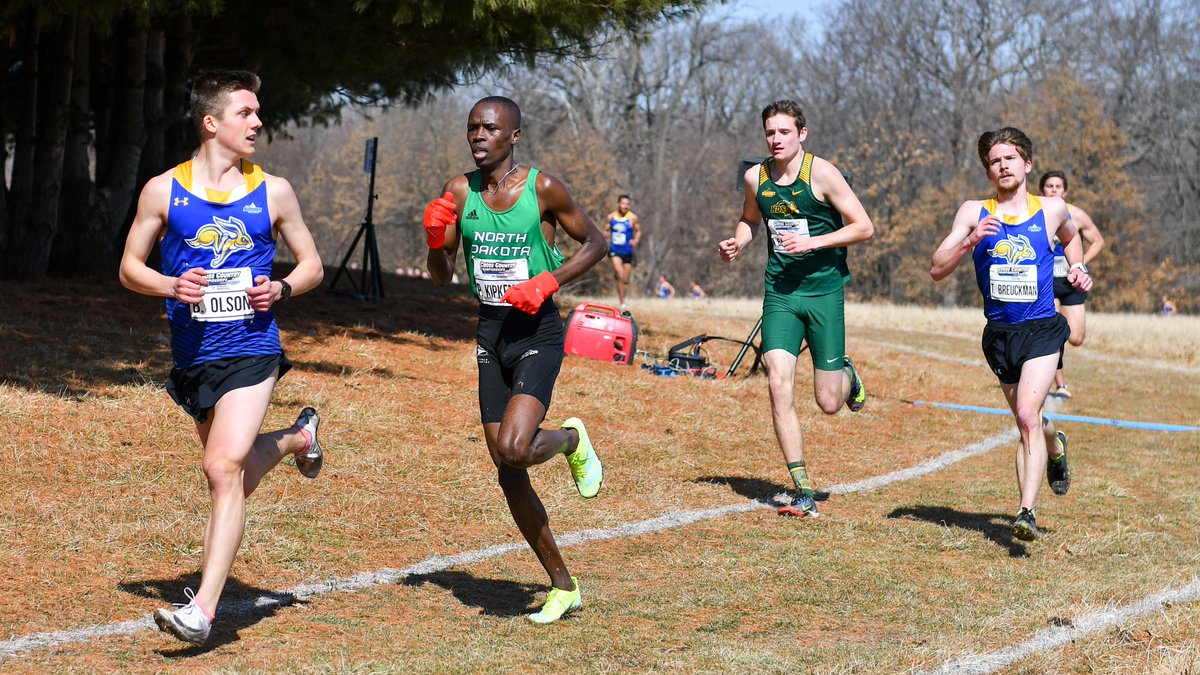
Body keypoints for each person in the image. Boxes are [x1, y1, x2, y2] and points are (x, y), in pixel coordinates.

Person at [119, 70, 325, 644]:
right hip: (194, 356)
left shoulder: (274, 190)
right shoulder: (163, 190)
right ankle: (298, 438)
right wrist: (170, 285)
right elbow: (129, 267)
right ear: (211, 123)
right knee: (234, 473)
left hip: (253, 348)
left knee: (221, 469)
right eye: (245, 113)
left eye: (257, 113)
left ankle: (202, 612)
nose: (257, 122)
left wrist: (281, 287)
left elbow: (312, 265)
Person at [424, 96, 607, 624]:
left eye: (489, 128)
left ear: (514, 136)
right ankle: (563, 586)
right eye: (472, 128)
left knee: (516, 447)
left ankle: (570, 440)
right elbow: (442, 275)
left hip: (537, 331)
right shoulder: (459, 191)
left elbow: (595, 243)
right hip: (491, 332)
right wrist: (435, 241)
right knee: (508, 470)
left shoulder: (542, 188)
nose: (478, 136)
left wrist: (548, 281)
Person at [931, 127, 1092, 542]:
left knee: (1025, 415)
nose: (1002, 166)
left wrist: (1078, 267)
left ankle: (1026, 512)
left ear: (1027, 165)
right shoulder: (974, 211)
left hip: (1041, 328)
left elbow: (1072, 238)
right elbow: (936, 268)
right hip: (1000, 334)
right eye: (995, 161)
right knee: (1031, 422)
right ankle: (1055, 447)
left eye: (1009, 158)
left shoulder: (1052, 208)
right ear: (988, 172)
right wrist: (969, 241)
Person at [717, 100, 873, 519]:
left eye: (784, 132)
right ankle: (802, 490)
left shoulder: (822, 173)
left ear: (801, 134)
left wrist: (814, 243)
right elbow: (750, 220)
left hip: (823, 292)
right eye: (770, 132)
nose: (776, 139)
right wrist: (738, 242)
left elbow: (864, 226)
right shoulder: (755, 177)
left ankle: (847, 374)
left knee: (828, 401)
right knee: (777, 383)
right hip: (781, 292)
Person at [1039, 171, 1105, 399]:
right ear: (1042, 190)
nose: (1054, 190)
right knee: (1053, 332)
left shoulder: (1076, 215)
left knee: (1076, 337)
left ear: (1065, 191)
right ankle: (1060, 384)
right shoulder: (1036, 213)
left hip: (1071, 282)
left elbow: (1098, 241)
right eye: (1049, 186)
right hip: (1046, 282)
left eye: (1058, 186)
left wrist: (1079, 264)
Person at [606, 194, 641, 311]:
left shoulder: (632, 218)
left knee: (625, 280)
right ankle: (622, 303)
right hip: (614, 250)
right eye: (623, 203)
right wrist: (605, 234)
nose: (625, 206)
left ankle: (619, 278)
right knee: (620, 274)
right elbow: (606, 229)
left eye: (627, 204)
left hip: (627, 252)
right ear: (618, 204)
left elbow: (638, 231)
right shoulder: (611, 217)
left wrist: (635, 240)